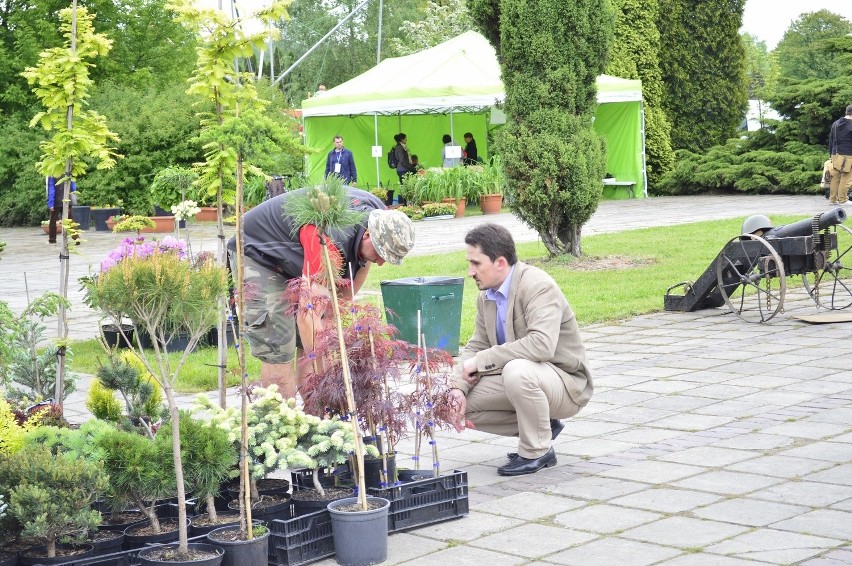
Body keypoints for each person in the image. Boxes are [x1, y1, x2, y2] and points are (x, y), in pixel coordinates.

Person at [226, 186, 415, 400]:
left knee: (313, 345)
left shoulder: (381, 216)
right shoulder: (327, 238)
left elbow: (339, 300)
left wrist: (333, 336)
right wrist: (328, 375)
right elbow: (309, 315)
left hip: (296, 256)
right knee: (280, 348)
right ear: (368, 234)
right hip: (259, 253)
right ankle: (281, 427)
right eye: (381, 254)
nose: (381, 263)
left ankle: (316, 424)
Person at [447, 224, 593, 476]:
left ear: (500, 263)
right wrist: (457, 387)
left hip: (566, 384)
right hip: (527, 381)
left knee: (518, 370)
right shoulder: (486, 295)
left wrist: (481, 361)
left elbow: (541, 345)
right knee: (451, 404)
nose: (470, 271)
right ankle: (541, 424)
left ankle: (536, 450)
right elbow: (477, 345)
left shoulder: (538, 286)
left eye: (476, 263)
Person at [828, 103, 852, 206]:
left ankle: (833, 200)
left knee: (835, 177)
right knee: (846, 177)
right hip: (847, 155)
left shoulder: (835, 123)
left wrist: (830, 154)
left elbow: (831, 140)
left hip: (835, 154)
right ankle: (843, 200)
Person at [46, 175, 77, 244]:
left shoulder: (52, 174)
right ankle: (76, 238)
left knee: (53, 221)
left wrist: (51, 203)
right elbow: (73, 186)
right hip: (67, 199)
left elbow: (51, 189)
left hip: (56, 201)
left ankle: (52, 240)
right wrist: (73, 197)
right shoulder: (68, 171)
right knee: (70, 220)